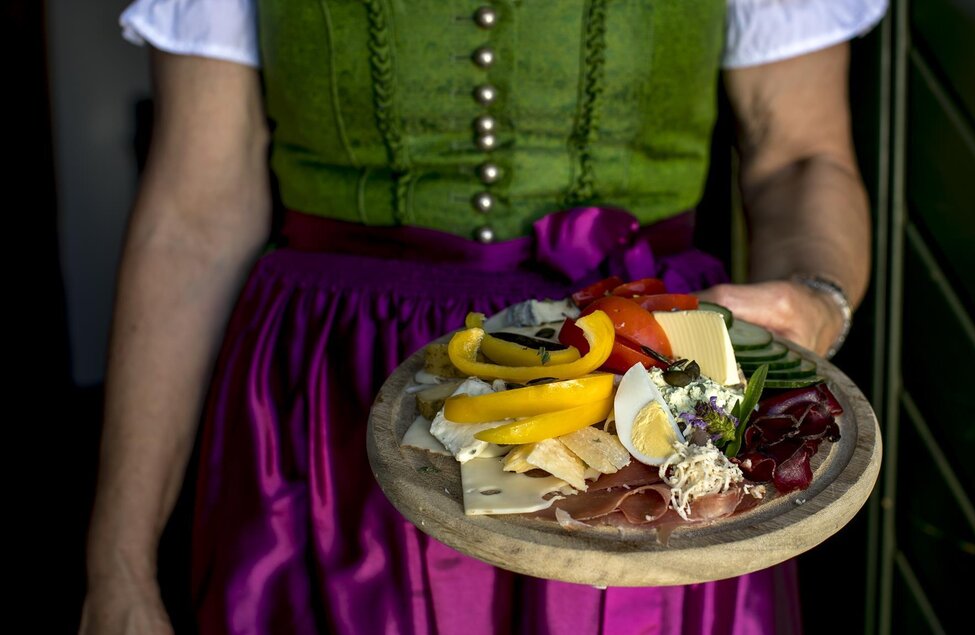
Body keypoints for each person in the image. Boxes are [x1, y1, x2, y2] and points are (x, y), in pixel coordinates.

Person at [80, 1, 885, 633]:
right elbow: (194, 216)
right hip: (329, 400)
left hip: (645, 392)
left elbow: (799, 154)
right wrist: (116, 567)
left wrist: (818, 296)